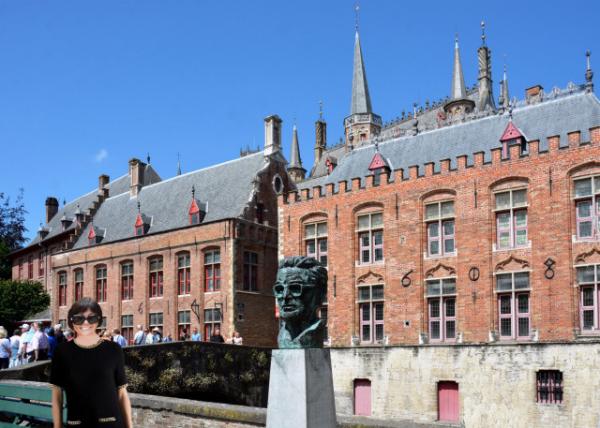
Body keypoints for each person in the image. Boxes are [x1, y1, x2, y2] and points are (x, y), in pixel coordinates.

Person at [50, 297, 132, 428]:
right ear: (71, 321)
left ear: (99, 320)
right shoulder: (62, 351)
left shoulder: (113, 349)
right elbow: (56, 395)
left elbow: (122, 394)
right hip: (77, 424)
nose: (86, 323)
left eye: (92, 318)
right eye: (79, 318)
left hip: (111, 424)